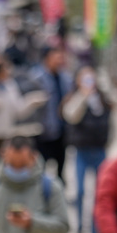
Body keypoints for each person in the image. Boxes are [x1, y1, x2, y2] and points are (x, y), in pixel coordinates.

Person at [0, 59, 47, 178]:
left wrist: (31, 102)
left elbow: (18, 110)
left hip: (6, 131)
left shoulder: (10, 85)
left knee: (6, 164)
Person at [62, 65, 112, 233]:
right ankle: (80, 228)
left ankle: (96, 231)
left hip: (99, 150)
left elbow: (111, 117)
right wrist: (83, 95)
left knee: (100, 192)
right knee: (81, 191)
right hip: (81, 151)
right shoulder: (75, 98)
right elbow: (70, 115)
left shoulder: (103, 99)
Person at [31, 45, 73, 184]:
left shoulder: (66, 78)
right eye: (56, 57)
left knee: (61, 168)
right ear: (47, 59)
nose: (60, 61)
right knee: (40, 169)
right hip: (42, 131)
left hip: (62, 131)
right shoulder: (36, 78)